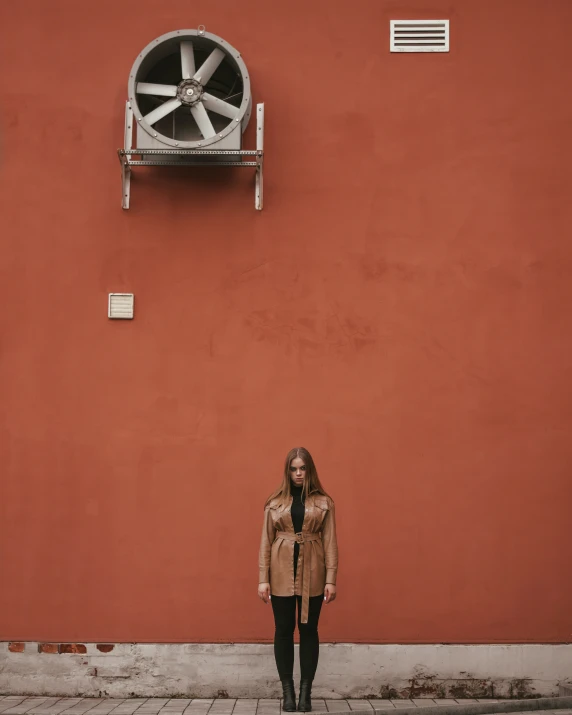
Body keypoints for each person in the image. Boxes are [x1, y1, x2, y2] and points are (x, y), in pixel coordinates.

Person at [258, 447, 338, 712]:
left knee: (308, 630)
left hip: (313, 571)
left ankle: (306, 694)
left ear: (310, 469)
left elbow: (330, 543)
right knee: (283, 631)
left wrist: (331, 578)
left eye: (302, 468)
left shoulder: (324, 502)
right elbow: (265, 542)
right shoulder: (274, 502)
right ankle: (288, 693)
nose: (298, 473)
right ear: (287, 471)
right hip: (280, 571)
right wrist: (263, 578)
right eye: (293, 468)